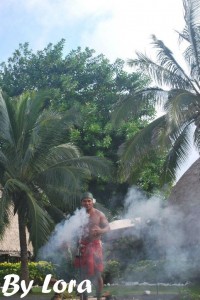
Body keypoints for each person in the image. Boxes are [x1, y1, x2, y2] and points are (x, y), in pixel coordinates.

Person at [74, 192, 110, 300]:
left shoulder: (99, 214)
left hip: (95, 248)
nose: (87, 203)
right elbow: (73, 231)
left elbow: (108, 227)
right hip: (82, 247)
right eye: (85, 201)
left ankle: (99, 298)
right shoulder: (77, 216)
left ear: (92, 202)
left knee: (98, 275)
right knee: (82, 276)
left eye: (89, 201)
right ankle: (83, 298)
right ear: (81, 203)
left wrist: (101, 231)